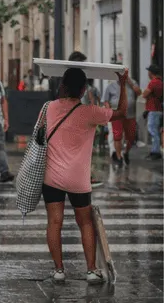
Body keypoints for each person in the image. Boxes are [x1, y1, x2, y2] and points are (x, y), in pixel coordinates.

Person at [42, 67, 128, 284]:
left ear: (62, 85)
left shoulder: (49, 107)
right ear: (83, 89)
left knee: (54, 222)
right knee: (85, 223)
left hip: (52, 176)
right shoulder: (91, 112)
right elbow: (121, 111)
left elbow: (40, 132)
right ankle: (91, 270)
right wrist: (123, 84)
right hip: (78, 178)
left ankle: (59, 270)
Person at [48, 51, 103, 188]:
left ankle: (85, 176)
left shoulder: (79, 80)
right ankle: (82, 177)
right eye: (82, 63)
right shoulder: (66, 83)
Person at [102, 74, 141, 166]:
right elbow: (106, 100)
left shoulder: (132, 83)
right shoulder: (111, 86)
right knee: (117, 136)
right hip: (117, 115)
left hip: (130, 115)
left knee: (131, 137)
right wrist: (109, 111)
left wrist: (130, 83)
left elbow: (139, 93)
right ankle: (119, 157)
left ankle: (126, 152)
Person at [142, 64, 163, 160]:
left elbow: (144, 94)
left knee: (153, 131)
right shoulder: (160, 82)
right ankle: (155, 151)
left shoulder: (153, 82)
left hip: (153, 110)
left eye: (148, 72)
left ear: (151, 73)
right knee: (155, 131)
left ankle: (156, 152)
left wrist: (146, 92)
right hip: (158, 109)